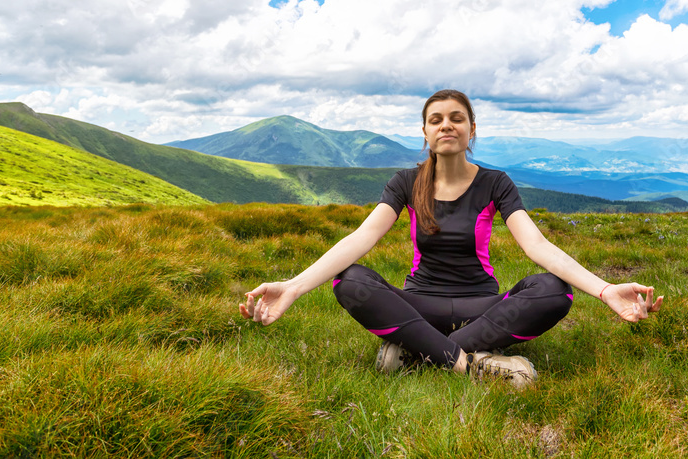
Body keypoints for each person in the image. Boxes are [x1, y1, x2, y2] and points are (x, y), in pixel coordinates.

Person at [240, 89, 663, 388]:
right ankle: (471, 364)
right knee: (350, 280)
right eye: (436, 119)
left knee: (554, 291)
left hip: (483, 306)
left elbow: (537, 247)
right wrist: (293, 287)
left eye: (456, 118)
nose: (447, 125)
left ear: (471, 129)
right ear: (424, 132)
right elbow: (361, 237)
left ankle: (413, 353)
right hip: (419, 303)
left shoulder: (496, 183)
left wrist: (605, 290)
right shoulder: (406, 182)